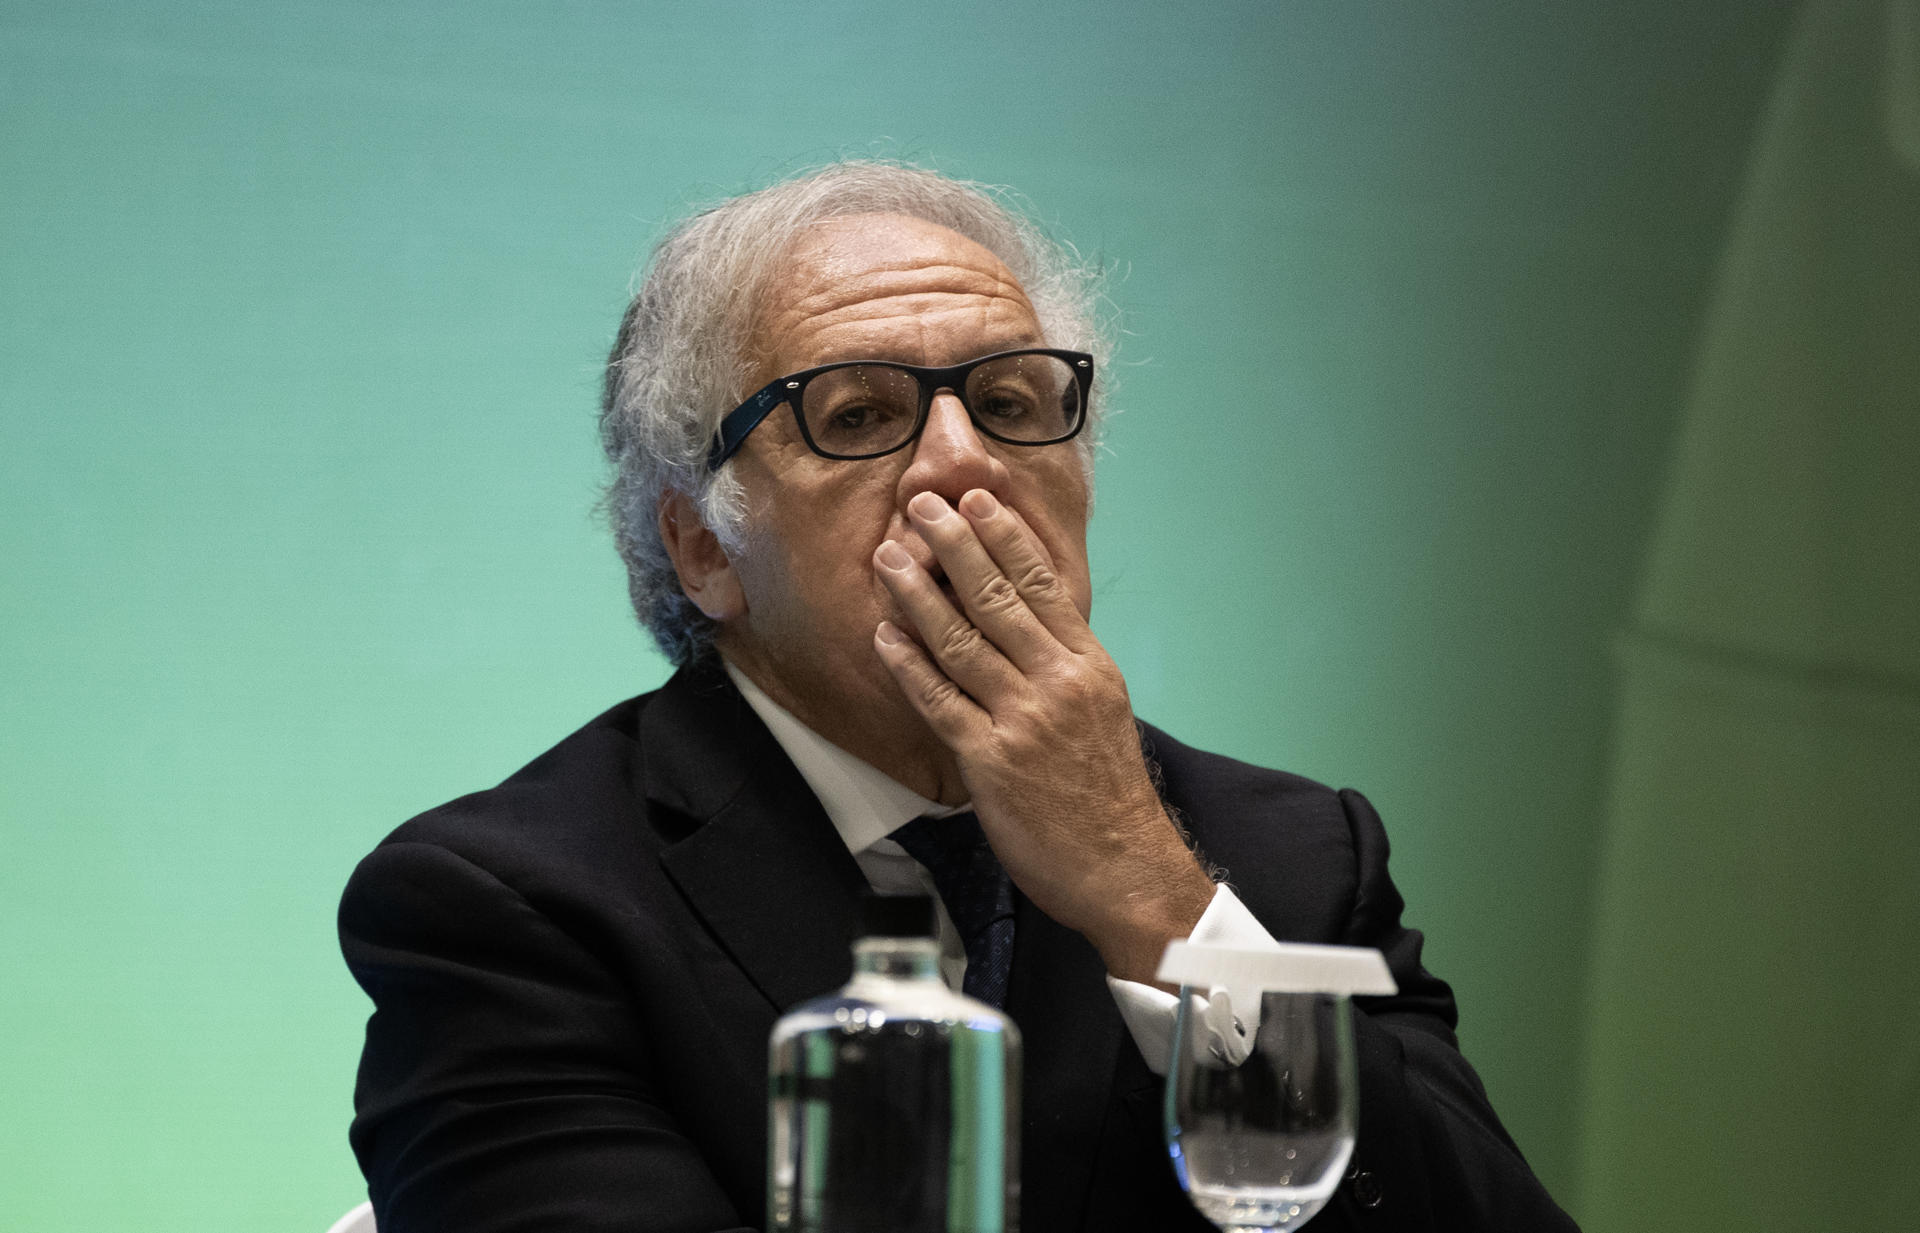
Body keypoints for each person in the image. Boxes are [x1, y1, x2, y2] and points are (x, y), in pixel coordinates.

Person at [341, 162, 1577, 1232]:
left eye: (1009, 403)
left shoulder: (1289, 859)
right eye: (860, 414)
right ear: (703, 547)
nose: (963, 461)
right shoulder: (510, 908)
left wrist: (1153, 898)